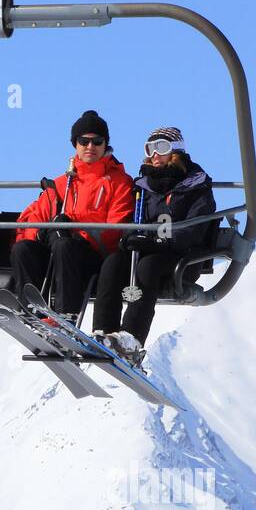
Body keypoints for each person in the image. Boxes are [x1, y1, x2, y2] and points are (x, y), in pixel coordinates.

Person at [91, 126, 217, 364]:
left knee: (148, 267)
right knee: (114, 262)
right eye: (150, 149)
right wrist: (129, 237)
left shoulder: (196, 188)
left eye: (162, 148)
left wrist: (156, 241)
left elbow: (191, 230)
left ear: (176, 152)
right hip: (147, 252)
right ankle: (103, 331)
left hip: (183, 259)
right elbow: (132, 220)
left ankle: (131, 338)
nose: (155, 155)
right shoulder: (143, 188)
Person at [9, 110, 134, 323]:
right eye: (83, 141)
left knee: (65, 245)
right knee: (23, 248)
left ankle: (65, 315)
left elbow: (115, 231)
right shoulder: (61, 184)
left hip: (93, 256)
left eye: (97, 141)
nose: (90, 147)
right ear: (75, 144)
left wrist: (74, 233)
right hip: (57, 255)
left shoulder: (119, 181)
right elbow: (32, 219)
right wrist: (41, 233)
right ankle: (30, 309)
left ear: (106, 144)